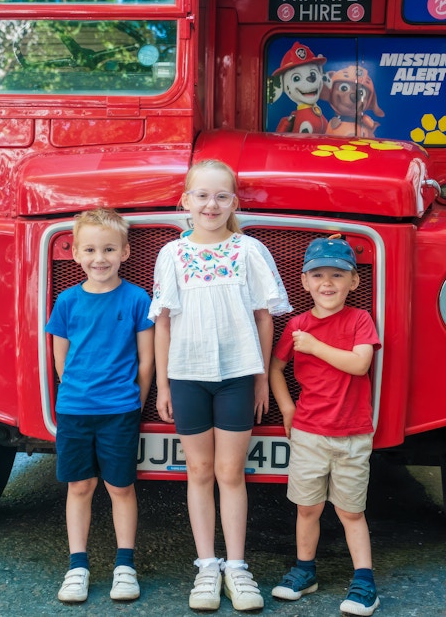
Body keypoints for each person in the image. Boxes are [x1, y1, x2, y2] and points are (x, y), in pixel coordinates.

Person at [149, 159, 291, 612]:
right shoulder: (172, 254)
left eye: (222, 196)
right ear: (185, 201)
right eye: (202, 195)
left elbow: (263, 318)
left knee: (231, 473)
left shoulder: (248, 250)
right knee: (199, 471)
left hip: (235, 377)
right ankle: (207, 565)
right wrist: (165, 385)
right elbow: (164, 323)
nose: (212, 204)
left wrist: (260, 377)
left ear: (234, 202)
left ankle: (237, 566)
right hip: (188, 377)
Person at [45, 208, 155, 604]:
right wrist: (77, 392)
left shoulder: (137, 298)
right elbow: (61, 360)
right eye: (90, 249)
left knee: (120, 486)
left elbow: (147, 361)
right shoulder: (67, 301)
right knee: (80, 485)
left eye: (109, 249)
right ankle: (77, 566)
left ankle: (125, 566)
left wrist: (134, 402)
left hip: (120, 410)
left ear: (125, 251)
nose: (100, 258)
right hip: (75, 409)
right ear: (75, 253)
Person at [269, 235, 381, 617]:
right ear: (304, 281)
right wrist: (286, 407)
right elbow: (275, 368)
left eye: (338, 274)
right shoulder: (298, 325)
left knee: (351, 512)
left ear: (354, 282)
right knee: (308, 508)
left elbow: (360, 364)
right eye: (318, 275)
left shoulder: (359, 320)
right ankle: (305, 572)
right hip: (309, 433)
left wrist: (315, 347)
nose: (327, 283)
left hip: (352, 435)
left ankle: (365, 581)